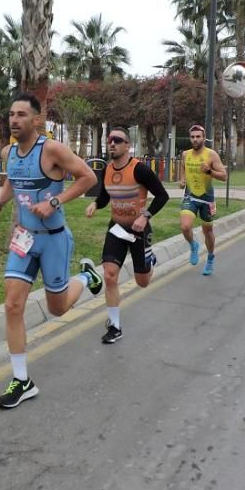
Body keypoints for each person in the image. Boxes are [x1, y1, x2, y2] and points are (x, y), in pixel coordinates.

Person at [0, 92, 104, 409]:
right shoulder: (8, 151)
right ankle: (22, 380)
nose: (14, 119)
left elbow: (88, 177)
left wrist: (55, 202)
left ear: (37, 120)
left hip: (53, 239)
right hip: (24, 239)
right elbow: (12, 181)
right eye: (11, 114)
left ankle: (87, 276)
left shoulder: (51, 150)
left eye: (22, 114)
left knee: (58, 309)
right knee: (12, 305)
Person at [86, 127, 170, 344]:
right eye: (109, 140)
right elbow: (105, 196)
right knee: (110, 274)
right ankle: (115, 326)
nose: (111, 143)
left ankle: (149, 261)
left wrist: (146, 217)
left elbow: (162, 195)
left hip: (139, 229)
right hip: (117, 228)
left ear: (127, 145)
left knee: (142, 282)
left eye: (117, 140)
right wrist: (95, 204)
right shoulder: (106, 170)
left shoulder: (139, 170)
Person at [178, 124, 227, 276]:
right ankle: (193, 245)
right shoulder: (186, 154)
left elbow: (224, 176)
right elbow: (183, 167)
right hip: (190, 196)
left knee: (208, 231)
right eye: (192, 137)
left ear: (203, 138)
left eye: (198, 136)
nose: (195, 139)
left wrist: (210, 171)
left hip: (207, 198)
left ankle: (210, 258)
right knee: (185, 226)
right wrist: (182, 179)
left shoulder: (211, 155)